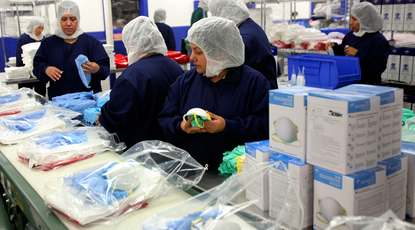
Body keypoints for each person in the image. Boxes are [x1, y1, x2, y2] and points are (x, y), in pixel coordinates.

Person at [158, 17, 270, 169]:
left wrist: (228, 126)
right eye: (191, 50)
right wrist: (181, 127)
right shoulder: (185, 82)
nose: (192, 58)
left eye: (198, 52)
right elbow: (165, 119)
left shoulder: (254, 83)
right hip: (192, 172)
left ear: (220, 53)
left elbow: (265, 126)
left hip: (234, 175)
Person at [97, 16, 183, 149]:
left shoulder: (131, 76)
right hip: (174, 147)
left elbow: (117, 118)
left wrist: (104, 116)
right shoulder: (175, 67)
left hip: (142, 151)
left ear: (131, 44)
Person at [33, 0, 109, 99]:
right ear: (58, 20)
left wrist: (97, 68)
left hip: (88, 101)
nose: (68, 23)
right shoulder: (48, 44)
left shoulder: (91, 43)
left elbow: (105, 68)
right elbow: (37, 66)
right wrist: (45, 69)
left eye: (72, 19)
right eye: (64, 19)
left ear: (78, 20)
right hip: (60, 102)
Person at [208, 0, 278, 89]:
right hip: (261, 89)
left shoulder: (242, 38)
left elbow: (236, 76)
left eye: (214, 14)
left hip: (257, 93)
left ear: (223, 14)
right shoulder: (249, 26)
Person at [326, 2, 389, 85]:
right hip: (348, 83)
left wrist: (358, 54)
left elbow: (378, 66)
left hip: (367, 86)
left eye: (354, 19)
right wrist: (334, 47)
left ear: (366, 21)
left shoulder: (379, 40)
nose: (350, 22)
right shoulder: (350, 35)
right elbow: (343, 51)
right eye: (351, 18)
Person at [16, 17, 47, 96]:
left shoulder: (42, 39)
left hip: (39, 74)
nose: (40, 31)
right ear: (31, 27)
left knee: (40, 96)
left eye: (42, 28)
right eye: (38, 28)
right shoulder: (23, 39)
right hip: (26, 75)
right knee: (26, 96)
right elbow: (21, 59)